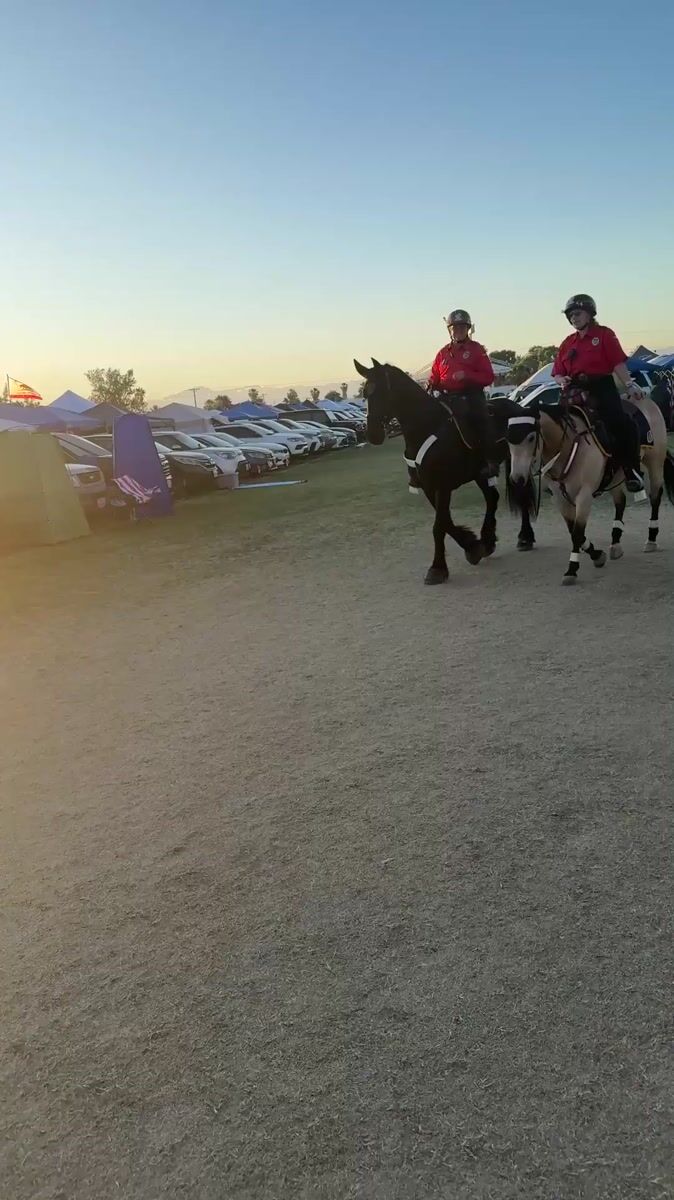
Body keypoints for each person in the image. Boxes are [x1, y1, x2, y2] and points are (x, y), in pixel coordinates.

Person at [552, 294, 644, 492]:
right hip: (574, 391)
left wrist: (630, 385)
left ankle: (631, 470)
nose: (573, 318)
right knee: (558, 426)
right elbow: (557, 372)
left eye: (577, 313)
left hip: (602, 387)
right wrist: (561, 379)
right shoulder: (567, 343)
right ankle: (556, 475)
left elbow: (617, 363)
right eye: (570, 315)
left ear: (589, 314)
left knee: (623, 423)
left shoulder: (604, 335)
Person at [427, 308, 497, 472]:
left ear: (468, 329)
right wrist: (431, 383)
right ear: (449, 330)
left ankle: (489, 461)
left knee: (480, 419)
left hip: (471, 395)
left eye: (462, 327)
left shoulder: (476, 349)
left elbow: (488, 377)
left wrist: (467, 375)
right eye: (455, 327)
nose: (458, 331)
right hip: (446, 396)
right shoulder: (442, 353)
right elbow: (434, 375)